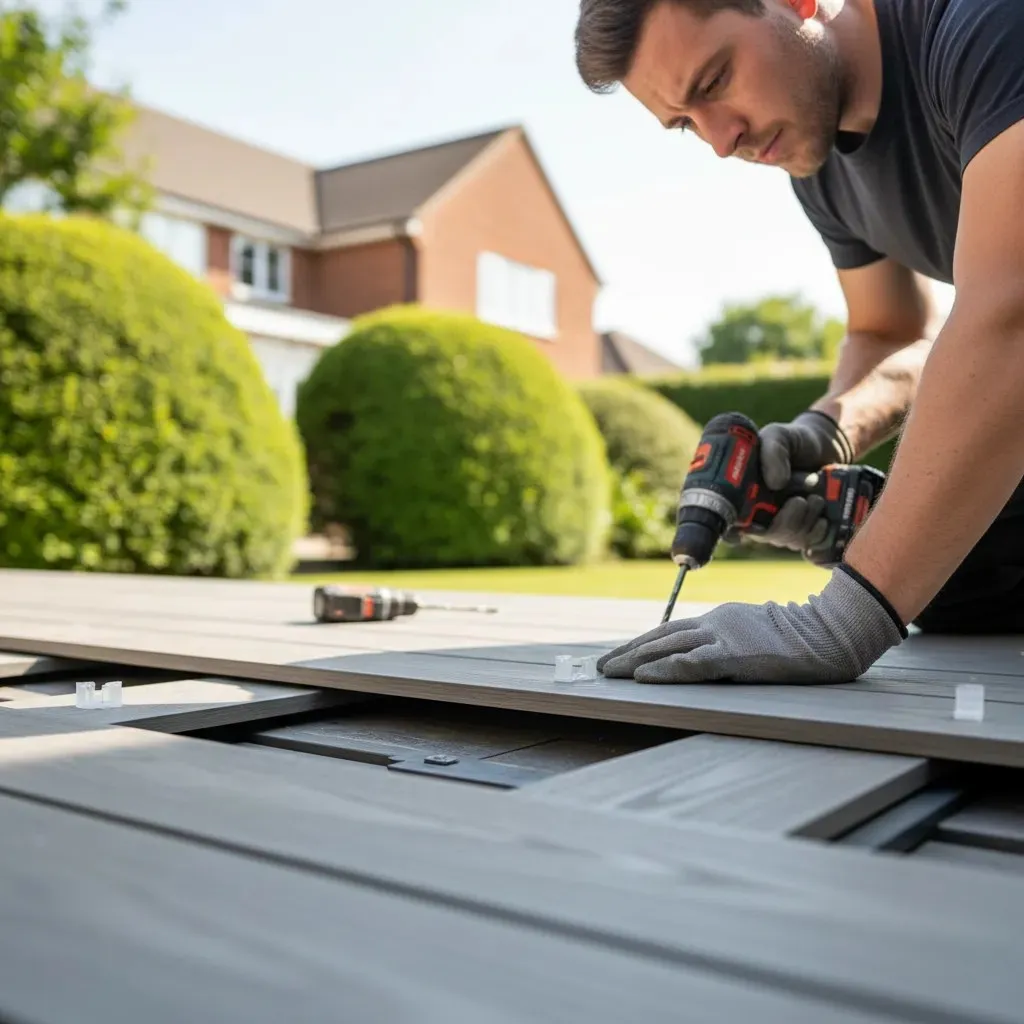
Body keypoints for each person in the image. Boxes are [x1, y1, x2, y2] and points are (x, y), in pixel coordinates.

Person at [575, 0, 1024, 683]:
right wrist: (822, 433)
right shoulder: (821, 168)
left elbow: (1010, 310)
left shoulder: (986, 29)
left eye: (715, 81)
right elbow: (891, 331)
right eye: (684, 125)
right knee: (957, 576)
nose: (721, 140)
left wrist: (840, 622)